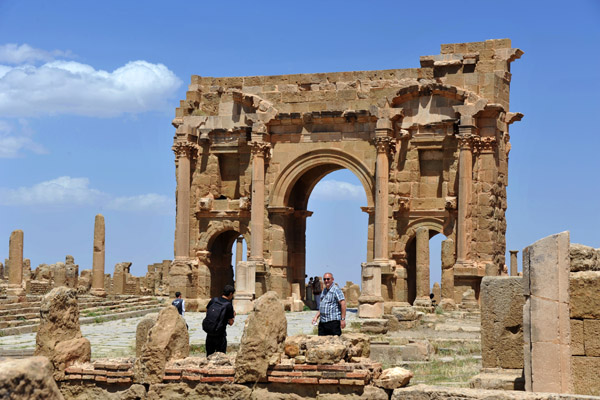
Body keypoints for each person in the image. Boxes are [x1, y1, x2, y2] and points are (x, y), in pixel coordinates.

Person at [205, 285, 236, 356]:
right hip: (220, 335)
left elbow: (207, 311)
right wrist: (233, 315)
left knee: (209, 355)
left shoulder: (214, 300)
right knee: (221, 357)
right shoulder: (228, 305)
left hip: (209, 333)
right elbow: (231, 323)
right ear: (231, 294)